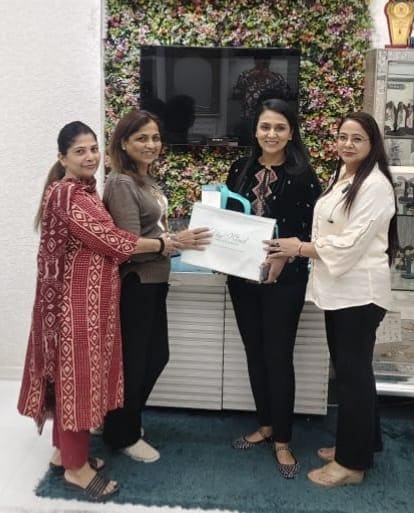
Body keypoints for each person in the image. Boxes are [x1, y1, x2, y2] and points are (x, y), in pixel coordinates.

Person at [17, 121, 178, 503]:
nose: (90, 157)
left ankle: (64, 454)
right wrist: (163, 244)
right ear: (62, 158)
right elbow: (112, 241)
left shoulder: (83, 191)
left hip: (90, 304)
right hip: (75, 308)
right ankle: (77, 469)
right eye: (80, 151)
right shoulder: (68, 193)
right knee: (77, 383)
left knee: (72, 380)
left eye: (93, 149)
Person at [265, 111, 398, 488]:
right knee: (353, 372)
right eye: (342, 136)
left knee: (352, 377)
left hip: (360, 294)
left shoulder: (375, 185)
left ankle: (351, 465)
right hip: (340, 292)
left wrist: (299, 248)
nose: (347, 144)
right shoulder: (344, 174)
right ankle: (364, 442)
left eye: (357, 138)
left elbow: (350, 243)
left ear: (372, 144)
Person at [102, 109, 211, 461]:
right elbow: (128, 245)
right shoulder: (121, 183)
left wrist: (175, 240)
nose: (151, 144)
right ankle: (123, 433)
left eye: (155, 138)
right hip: (137, 284)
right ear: (124, 143)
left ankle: (121, 420)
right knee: (136, 363)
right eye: (141, 138)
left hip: (154, 281)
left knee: (154, 357)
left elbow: (153, 232)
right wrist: (173, 242)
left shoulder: (144, 180)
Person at [225, 98, 321, 478]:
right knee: (254, 353)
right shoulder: (240, 168)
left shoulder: (304, 175)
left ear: (291, 133)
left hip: (286, 281)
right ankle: (265, 425)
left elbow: (312, 232)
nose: (271, 134)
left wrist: (285, 256)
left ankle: (282, 438)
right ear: (255, 130)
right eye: (265, 127)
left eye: (280, 127)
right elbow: (229, 221)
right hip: (242, 278)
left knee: (278, 357)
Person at [232, 55, 292, 145]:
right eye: (259, 60)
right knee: (247, 143)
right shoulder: (245, 75)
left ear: (269, 62)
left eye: (265, 60)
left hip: (271, 118)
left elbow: (287, 95)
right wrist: (250, 78)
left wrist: (272, 77)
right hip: (248, 117)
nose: (262, 62)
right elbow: (235, 94)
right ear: (255, 61)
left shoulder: (277, 77)